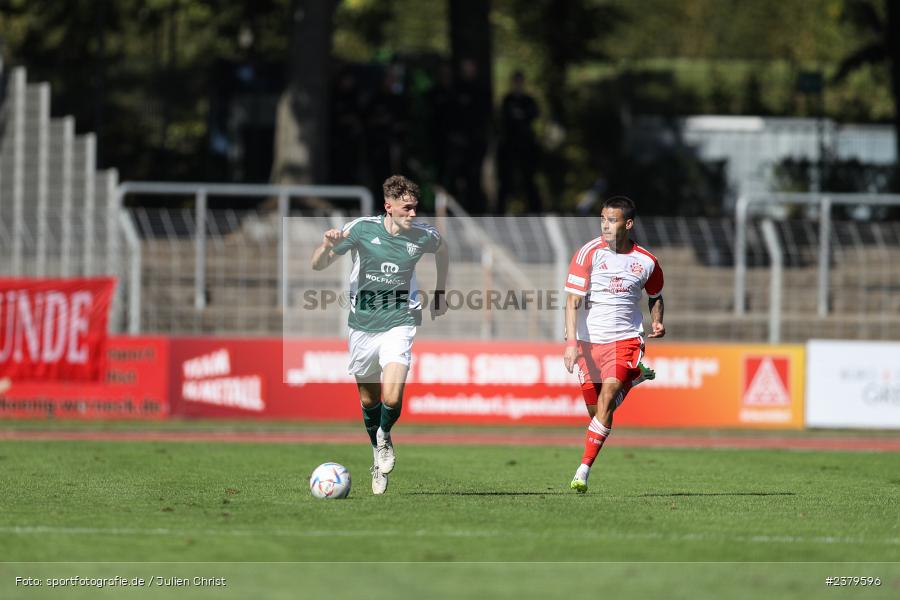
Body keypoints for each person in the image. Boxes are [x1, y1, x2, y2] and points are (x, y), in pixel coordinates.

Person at [311, 175, 449, 495]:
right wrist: (326, 246)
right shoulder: (361, 229)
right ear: (388, 207)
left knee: (391, 396)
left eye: (416, 208)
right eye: (407, 209)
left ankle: (384, 437)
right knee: (369, 399)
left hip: (401, 320)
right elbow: (318, 265)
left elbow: (444, 251)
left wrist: (441, 290)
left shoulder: (423, 235)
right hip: (362, 325)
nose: (413, 215)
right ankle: (377, 448)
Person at [562, 196, 665, 493]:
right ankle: (633, 380)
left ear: (628, 224)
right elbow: (571, 301)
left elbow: (655, 294)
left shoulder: (646, 261)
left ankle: (582, 471)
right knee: (597, 413)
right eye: (603, 219)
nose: (605, 225)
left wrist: (657, 320)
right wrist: (571, 343)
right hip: (588, 342)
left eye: (612, 220)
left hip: (626, 339)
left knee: (607, 399)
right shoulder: (588, 253)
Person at [497, 71, 541, 214]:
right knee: (506, 179)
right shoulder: (507, 100)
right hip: (510, 145)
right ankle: (500, 211)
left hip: (526, 145)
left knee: (529, 178)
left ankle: (535, 210)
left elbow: (533, 115)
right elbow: (505, 118)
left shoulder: (529, 100)